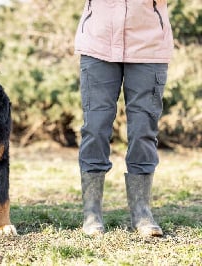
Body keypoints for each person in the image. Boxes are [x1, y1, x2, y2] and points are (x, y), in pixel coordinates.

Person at [74, 0, 174, 237]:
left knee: (143, 131)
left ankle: (142, 212)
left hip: (149, 46)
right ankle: (92, 213)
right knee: (95, 128)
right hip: (98, 43)